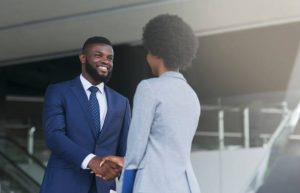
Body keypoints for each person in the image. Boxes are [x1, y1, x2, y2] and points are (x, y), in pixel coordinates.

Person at [118, 14, 201, 193]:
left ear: (156, 52)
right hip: (186, 186)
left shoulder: (148, 88)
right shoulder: (191, 95)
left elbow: (135, 152)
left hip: (153, 184)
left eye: (148, 51)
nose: (147, 57)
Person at [40, 36, 131, 193]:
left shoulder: (121, 102)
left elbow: (126, 151)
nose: (105, 61)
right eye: (98, 55)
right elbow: (54, 136)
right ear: (83, 58)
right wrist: (91, 161)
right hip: (63, 186)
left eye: (110, 58)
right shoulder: (59, 92)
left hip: (104, 188)